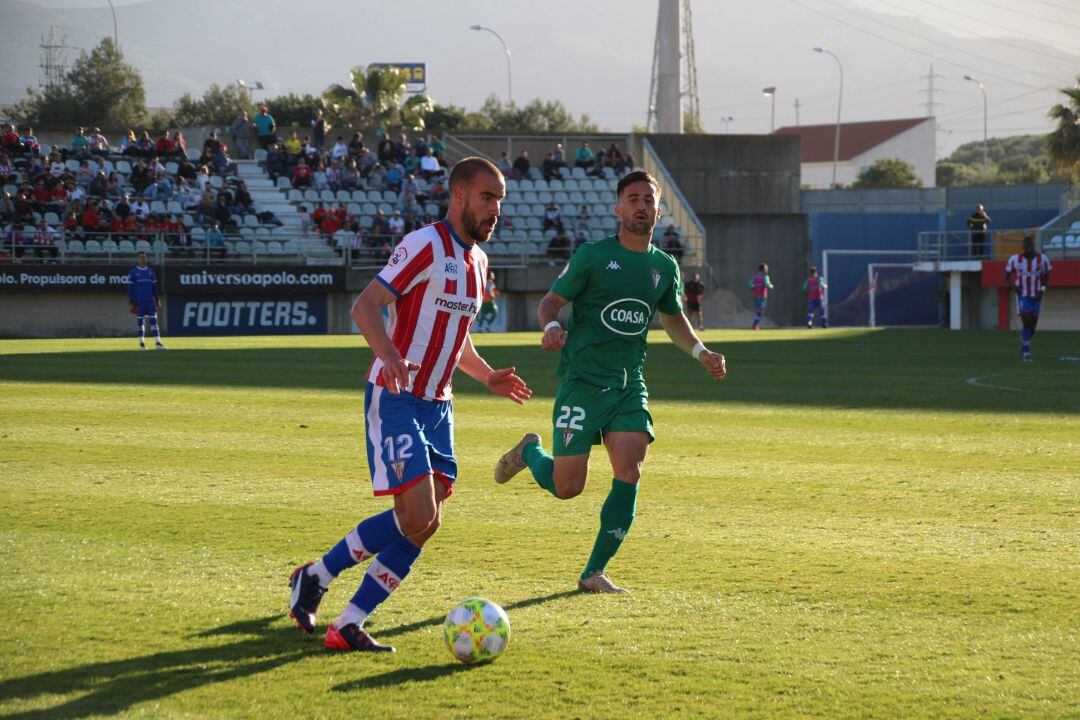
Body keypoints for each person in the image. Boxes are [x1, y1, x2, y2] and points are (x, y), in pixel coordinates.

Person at [287, 157, 531, 653]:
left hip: (440, 406)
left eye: (500, 200)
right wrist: (391, 355)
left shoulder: (479, 263)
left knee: (428, 522)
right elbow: (365, 306)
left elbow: (458, 341)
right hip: (396, 395)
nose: (495, 209)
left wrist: (487, 376)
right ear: (459, 195)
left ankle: (348, 621)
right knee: (417, 511)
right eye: (488, 197)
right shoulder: (423, 244)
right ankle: (317, 575)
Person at [492, 170, 726, 594]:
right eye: (633, 199)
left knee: (630, 470)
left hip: (627, 385)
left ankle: (593, 572)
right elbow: (551, 301)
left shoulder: (664, 265)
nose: (641, 206)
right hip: (582, 382)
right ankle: (530, 452)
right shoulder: (593, 256)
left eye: (648, 200)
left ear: (658, 209)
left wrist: (700, 352)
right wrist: (549, 326)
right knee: (568, 487)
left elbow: (673, 318)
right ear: (619, 209)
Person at [1005, 236, 1052, 362]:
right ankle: (1026, 352)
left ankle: (1023, 341)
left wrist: (1042, 289)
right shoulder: (1015, 259)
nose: (1029, 249)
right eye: (1027, 247)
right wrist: (1014, 286)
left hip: (1036, 296)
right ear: (1023, 247)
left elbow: (1047, 275)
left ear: (1034, 246)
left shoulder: (1042, 259)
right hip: (1023, 295)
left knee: (1032, 327)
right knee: (1026, 322)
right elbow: (1007, 275)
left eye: (1031, 246)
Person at [127, 252, 167, 350]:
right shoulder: (133, 272)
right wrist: (131, 301)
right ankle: (142, 344)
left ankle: (158, 343)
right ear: (138, 259)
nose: (143, 259)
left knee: (154, 321)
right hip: (139, 301)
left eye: (144, 258)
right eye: (141, 258)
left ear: (146, 259)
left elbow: (154, 287)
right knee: (140, 322)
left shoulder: (150, 271)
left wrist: (157, 298)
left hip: (150, 301)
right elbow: (130, 288)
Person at [748, 262, 773, 330]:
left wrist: (754, 287)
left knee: (759, 310)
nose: (767, 269)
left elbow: (749, 284)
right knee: (760, 311)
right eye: (766, 268)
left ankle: (755, 325)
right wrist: (771, 286)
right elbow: (767, 285)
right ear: (763, 269)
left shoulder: (755, 276)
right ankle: (754, 325)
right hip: (762, 296)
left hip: (756, 295)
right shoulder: (765, 276)